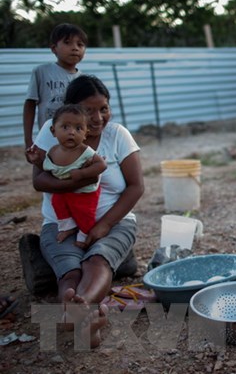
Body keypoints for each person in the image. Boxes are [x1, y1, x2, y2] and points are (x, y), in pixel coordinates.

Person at [26, 74, 144, 348]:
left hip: (113, 222)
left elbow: (136, 187)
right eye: (89, 110)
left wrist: (102, 226)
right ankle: (84, 315)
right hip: (61, 223)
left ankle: (77, 311)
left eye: (103, 108)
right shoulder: (52, 129)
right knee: (69, 272)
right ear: (70, 110)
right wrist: (79, 179)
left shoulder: (117, 135)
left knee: (97, 261)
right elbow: (38, 180)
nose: (98, 117)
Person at [31, 105, 107, 249]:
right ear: (53, 131)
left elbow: (101, 165)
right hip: (64, 191)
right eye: (65, 127)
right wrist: (36, 161)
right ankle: (68, 226)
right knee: (57, 203)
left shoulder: (85, 151)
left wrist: (82, 173)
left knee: (85, 213)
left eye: (78, 128)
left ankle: (85, 232)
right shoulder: (53, 151)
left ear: (85, 134)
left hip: (86, 192)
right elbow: (47, 168)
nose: (72, 132)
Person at [23, 23, 88, 151]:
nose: (75, 48)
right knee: (42, 169)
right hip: (47, 140)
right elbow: (30, 105)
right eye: (68, 43)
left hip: (74, 142)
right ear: (54, 48)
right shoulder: (42, 72)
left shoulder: (84, 80)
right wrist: (28, 140)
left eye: (80, 44)